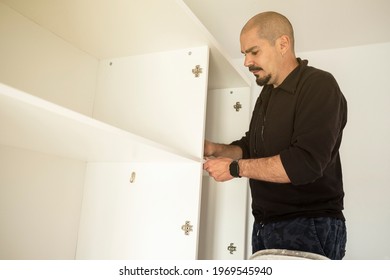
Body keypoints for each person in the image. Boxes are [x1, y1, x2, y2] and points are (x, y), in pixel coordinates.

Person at [203, 11, 347, 260]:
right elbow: (252, 147)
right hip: (264, 225)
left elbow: (305, 164)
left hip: (308, 224)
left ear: (283, 44)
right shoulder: (267, 94)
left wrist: (234, 169)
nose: (247, 62)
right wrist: (215, 149)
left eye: (254, 52)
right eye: (244, 54)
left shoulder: (318, 85)